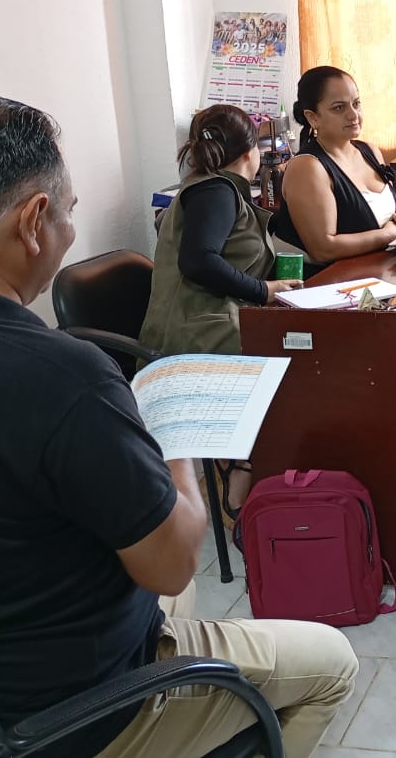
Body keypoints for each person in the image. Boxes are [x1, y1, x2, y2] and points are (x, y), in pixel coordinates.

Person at [0, 95, 358, 758]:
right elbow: (173, 561)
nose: (69, 229)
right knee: (330, 662)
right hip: (69, 713)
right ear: (34, 221)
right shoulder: (59, 377)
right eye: (68, 212)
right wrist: (172, 436)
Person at [139, 104, 302, 513]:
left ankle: (257, 475)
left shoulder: (216, 189)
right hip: (196, 336)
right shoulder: (215, 192)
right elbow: (198, 262)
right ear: (251, 151)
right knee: (304, 363)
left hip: (209, 323)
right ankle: (241, 474)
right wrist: (263, 291)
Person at [269, 65, 396, 274]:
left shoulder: (370, 151)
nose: (353, 114)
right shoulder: (307, 167)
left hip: (372, 270)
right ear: (313, 117)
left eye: (356, 104)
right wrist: (389, 235)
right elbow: (324, 249)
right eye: (339, 108)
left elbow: (383, 218)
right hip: (318, 280)